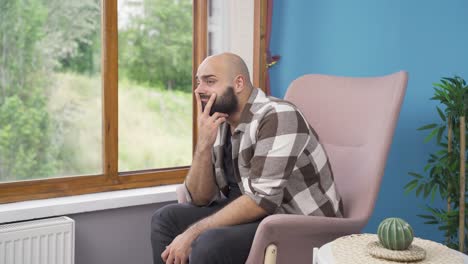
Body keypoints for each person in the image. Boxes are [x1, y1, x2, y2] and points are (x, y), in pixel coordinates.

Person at [151, 52, 344, 264]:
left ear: (239, 83)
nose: (199, 89)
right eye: (198, 82)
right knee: (165, 220)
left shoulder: (278, 116)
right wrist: (204, 144)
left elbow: (262, 201)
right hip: (255, 215)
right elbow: (200, 198)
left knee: (208, 242)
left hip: (297, 225)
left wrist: (192, 233)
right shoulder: (221, 122)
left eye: (210, 81)